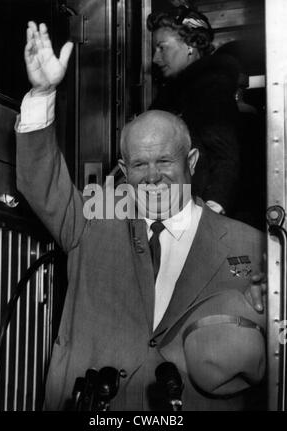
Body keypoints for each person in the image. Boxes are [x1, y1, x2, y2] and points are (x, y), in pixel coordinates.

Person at [16, 21, 267, 411]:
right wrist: (43, 92)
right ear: (123, 168)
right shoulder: (92, 220)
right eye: (139, 164)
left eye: (165, 160)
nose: (152, 176)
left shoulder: (249, 244)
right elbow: (40, 183)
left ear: (193, 161)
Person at [147, 3, 240, 216]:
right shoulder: (181, 92)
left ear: (190, 45)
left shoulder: (209, 87)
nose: (155, 58)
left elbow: (226, 157)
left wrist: (210, 216)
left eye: (162, 47)